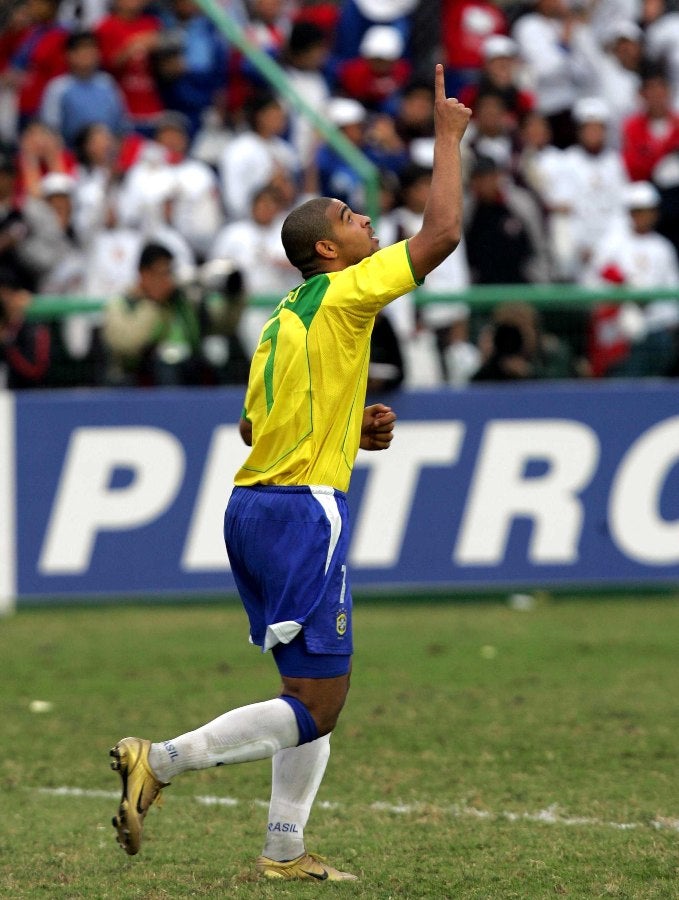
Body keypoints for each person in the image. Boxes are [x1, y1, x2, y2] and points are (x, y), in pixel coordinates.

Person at [109, 64, 471, 882]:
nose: (366, 218)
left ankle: (282, 849)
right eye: (351, 216)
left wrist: (352, 424)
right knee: (320, 703)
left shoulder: (283, 318)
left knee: (309, 692)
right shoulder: (344, 294)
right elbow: (441, 234)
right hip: (302, 510)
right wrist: (448, 138)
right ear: (326, 251)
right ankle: (158, 761)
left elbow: (250, 422)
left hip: (252, 504)